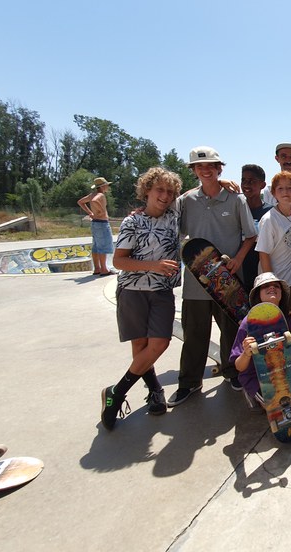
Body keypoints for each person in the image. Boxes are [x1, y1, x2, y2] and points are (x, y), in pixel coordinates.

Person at [169, 146, 258, 407]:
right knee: (194, 334)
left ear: (219, 168)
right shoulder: (186, 201)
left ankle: (232, 373)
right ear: (194, 170)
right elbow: (168, 216)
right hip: (195, 282)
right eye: (199, 166)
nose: (205, 170)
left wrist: (238, 260)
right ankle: (189, 382)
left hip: (228, 281)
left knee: (231, 331)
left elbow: (250, 236)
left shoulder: (236, 199)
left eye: (210, 165)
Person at [100, 167, 183, 430]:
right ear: (147, 190)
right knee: (140, 346)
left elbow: (198, 191)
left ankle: (117, 391)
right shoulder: (132, 222)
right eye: (159, 190)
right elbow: (118, 261)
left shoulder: (173, 216)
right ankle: (155, 390)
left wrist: (222, 181)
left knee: (160, 343)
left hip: (161, 291)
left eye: (170, 192)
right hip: (132, 291)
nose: (165, 196)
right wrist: (153, 265)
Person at [230, 272, 291, 416]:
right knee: (279, 409)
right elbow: (239, 366)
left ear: (281, 293)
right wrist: (246, 353)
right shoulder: (248, 323)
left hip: (284, 370)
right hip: (259, 377)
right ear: (258, 295)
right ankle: (253, 393)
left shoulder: (288, 316)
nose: (272, 288)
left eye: (276, 286)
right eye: (266, 286)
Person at [256, 171, 291, 326]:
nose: (286, 192)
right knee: (276, 325)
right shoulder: (269, 220)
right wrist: (270, 284)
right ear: (273, 193)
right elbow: (263, 254)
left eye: (290, 188)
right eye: (280, 188)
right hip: (278, 283)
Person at [240, 164, 271, 293]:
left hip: (261, 271)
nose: (246, 184)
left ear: (262, 185)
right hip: (238, 271)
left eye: (252, 181)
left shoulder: (271, 212)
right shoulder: (236, 208)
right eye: (243, 180)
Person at [77, 176, 114, 276]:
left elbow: (80, 202)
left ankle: (97, 268)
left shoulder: (92, 194)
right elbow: (94, 200)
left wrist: (90, 213)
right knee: (103, 246)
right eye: (106, 185)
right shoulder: (100, 195)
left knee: (96, 246)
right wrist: (101, 211)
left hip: (95, 223)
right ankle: (104, 269)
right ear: (102, 186)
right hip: (102, 223)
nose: (107, 187)